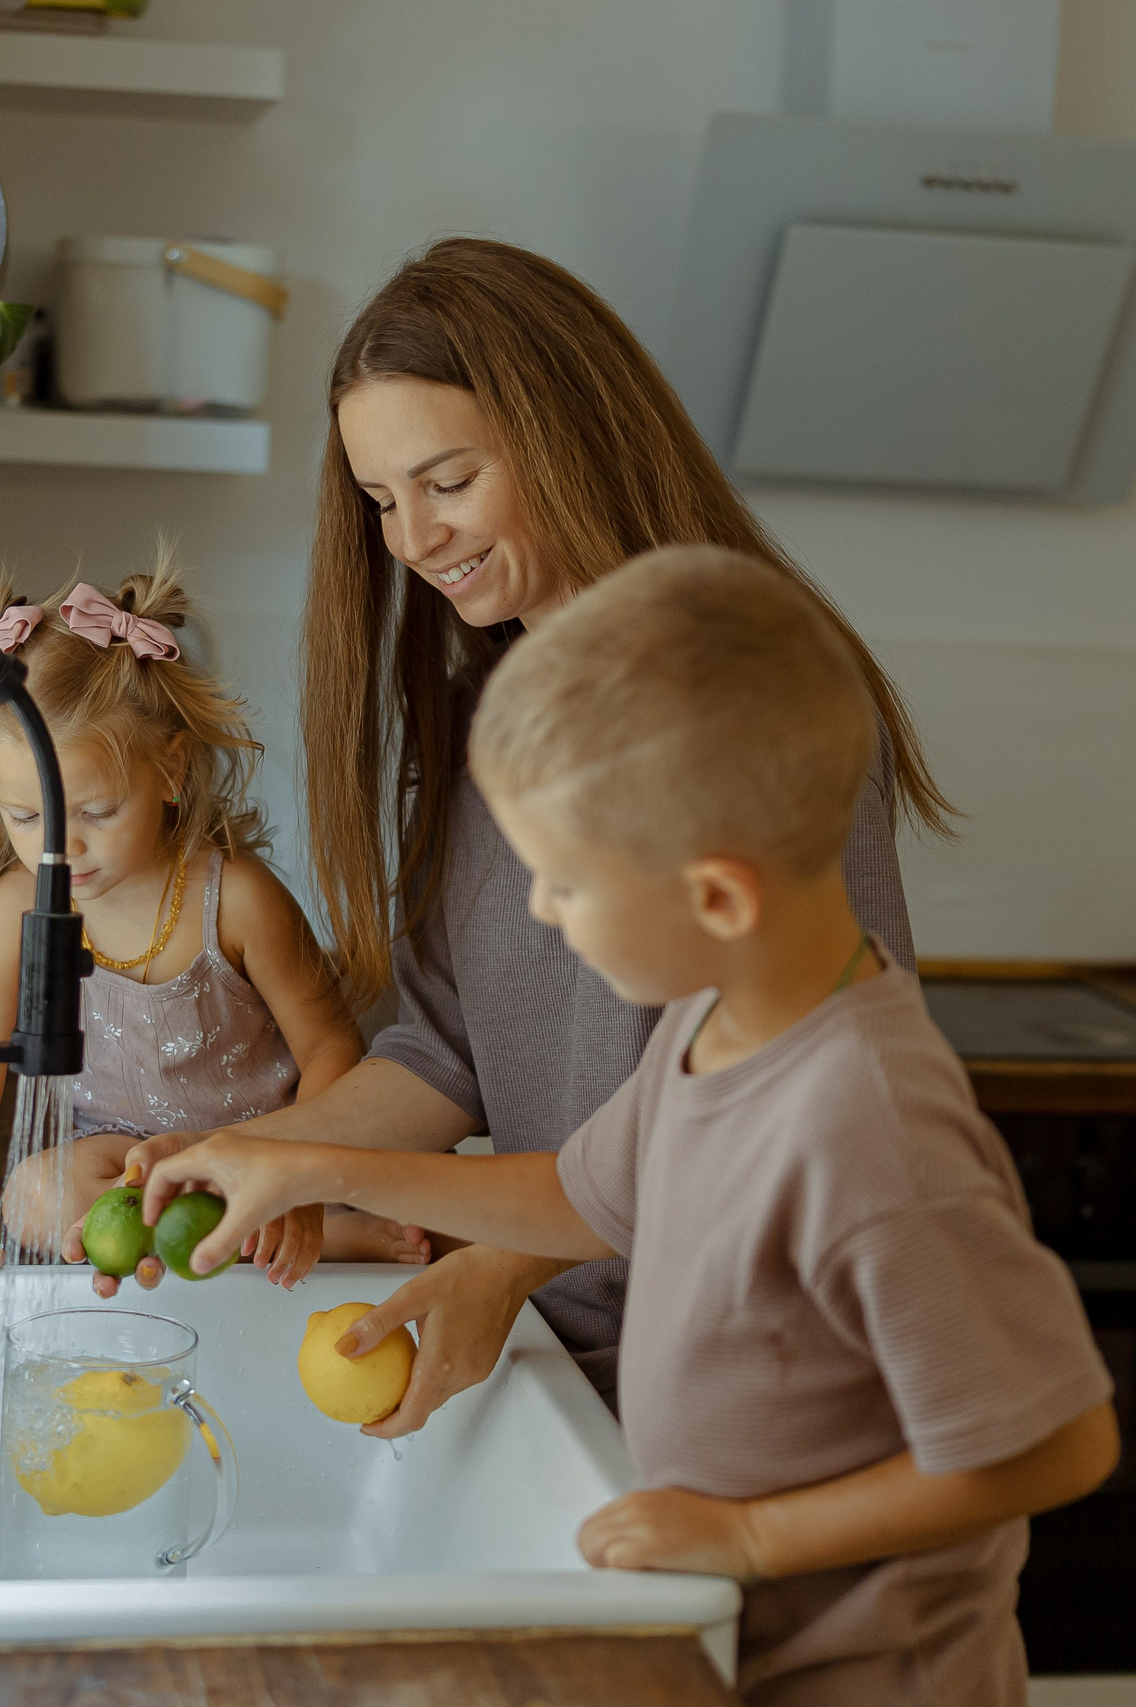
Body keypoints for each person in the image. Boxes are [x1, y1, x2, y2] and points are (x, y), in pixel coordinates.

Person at [140, 548, 1118, 1707]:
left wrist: (749, 1538)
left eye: (562, 883)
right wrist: (305, 1163)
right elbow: (576, 1196)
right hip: (732, 1637)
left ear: (714, 898)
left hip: (872, 1675)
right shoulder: (716, 1023)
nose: (540, 913)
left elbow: (1054, 1445)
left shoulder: (867, 1128)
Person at [119, 237, 953, 1428]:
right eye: (378, 500)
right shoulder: (496, 712)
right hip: (583, 1366)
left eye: (446, 482)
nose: (409, 540)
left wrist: (500, 1260)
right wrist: (233, 1156)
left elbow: (767, 1112)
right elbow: (446, 1047)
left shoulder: (745, 705)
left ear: (568, 436)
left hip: (747, 1369)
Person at [0, 561, 427, 1298]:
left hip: (250, 1157)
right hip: (119, 1164)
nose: (63, 847)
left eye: (95, 812)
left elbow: (333, 1049)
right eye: (26, 818)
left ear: (170, 769)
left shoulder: (237, 899)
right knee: (32, 1193)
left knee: (369, 1185)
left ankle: (301, 1229)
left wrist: (301, 1184)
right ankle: (187, 1242)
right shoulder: (13, 911)